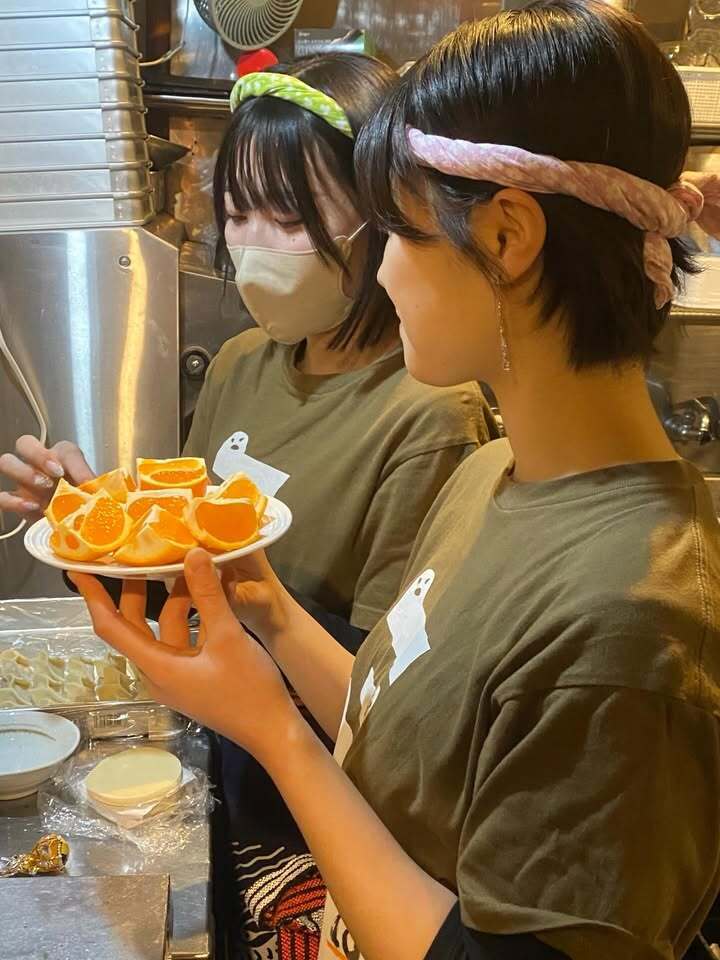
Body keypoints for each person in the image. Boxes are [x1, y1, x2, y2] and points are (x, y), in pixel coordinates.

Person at [69, 2, 720, 958]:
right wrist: (266, 610)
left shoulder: (627, 626)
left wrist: (275, 733)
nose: (381, 277)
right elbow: (404, 732)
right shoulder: (497, 474)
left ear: (507, 238)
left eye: (403, 235)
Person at [0, 53, 492, 959]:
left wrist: (257, 614)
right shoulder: (242, 364)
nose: (256, 243)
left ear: (383, 222)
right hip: (218, 755)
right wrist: (95, 519)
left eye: (291, 218)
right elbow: (185, 570)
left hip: (316, 810)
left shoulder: (428, 413)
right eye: (236, 213)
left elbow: (386, 700)